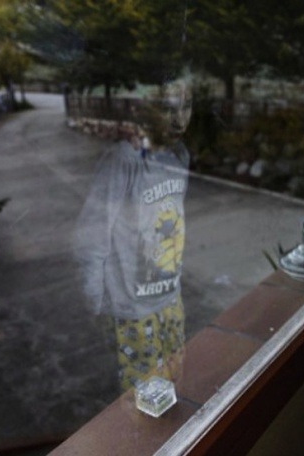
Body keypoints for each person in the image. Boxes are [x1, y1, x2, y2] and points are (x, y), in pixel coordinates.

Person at [73, 77, 193, 392]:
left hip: (170, 299)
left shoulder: (179, 156)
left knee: (174, 383)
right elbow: (93, 232)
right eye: (168, 109)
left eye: (186, 107)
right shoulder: (124, 160)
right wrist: (95, 299)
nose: (179, 118)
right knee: (143, 395)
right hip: (134, 308)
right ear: (149, 110)